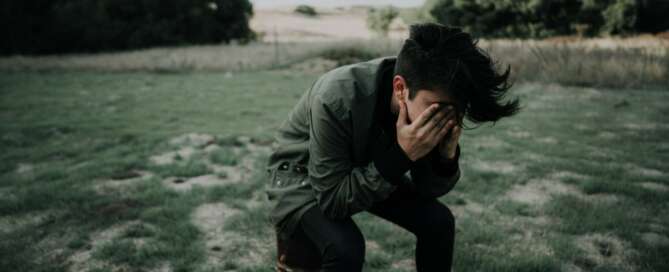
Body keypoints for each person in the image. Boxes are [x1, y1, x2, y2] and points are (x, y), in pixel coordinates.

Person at [265, 22, 521, 272]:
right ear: (400, 88)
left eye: (457, 109)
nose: (448, 118)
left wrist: (445, 159)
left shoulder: (426, 92)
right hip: (302, 176)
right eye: (439, 108)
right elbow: (332, 200)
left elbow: (428, 189)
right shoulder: (336, 96)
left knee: (439, 222)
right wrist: (401, 155)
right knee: (345, 248)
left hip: (366, 168)